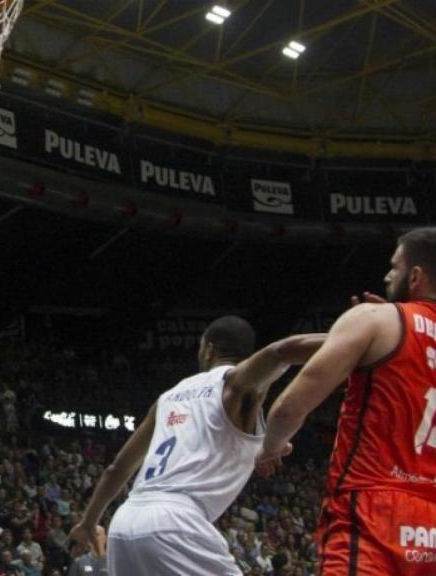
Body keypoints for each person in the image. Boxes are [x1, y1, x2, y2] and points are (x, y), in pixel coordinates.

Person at [67, 316, 324, 575]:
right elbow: (282, 351)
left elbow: (118, 467)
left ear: (208, 348)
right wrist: (356, 337)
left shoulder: (168, 398)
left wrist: (89, 522)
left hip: (124, 523)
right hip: (176, 523)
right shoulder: (235, 384)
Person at [259, 227, 436, 575]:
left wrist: (270, 447)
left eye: (395, 267)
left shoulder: (374, 319)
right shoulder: (389, 321)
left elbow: (289, 407)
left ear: (415, 276)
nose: (388, 275)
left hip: (373, 508)